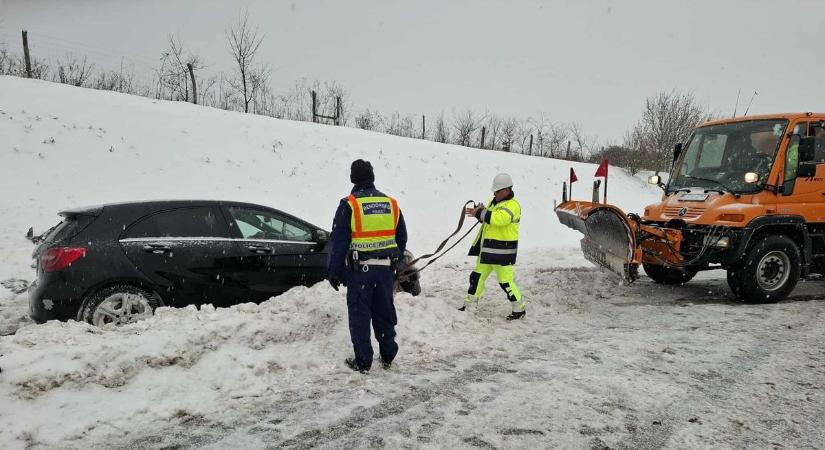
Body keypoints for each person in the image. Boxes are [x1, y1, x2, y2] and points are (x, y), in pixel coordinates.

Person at [327, 159, 408, 373]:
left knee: (360, 314)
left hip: (359, 271)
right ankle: (388, 354)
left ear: (353, 178)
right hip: (385, 271)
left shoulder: (350, 204)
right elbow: (401, 237)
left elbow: (339, 241)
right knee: (384, 312)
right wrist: (394, 260)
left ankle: (363, 361)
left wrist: (334, 272)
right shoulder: (391, 204)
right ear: (372, 177)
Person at [460, 173, 525, 320]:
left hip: (503, 253)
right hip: (487, 250)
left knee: (505, 282)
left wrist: (482, 213)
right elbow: (487, 218)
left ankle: (519, 309)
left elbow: (499, 219)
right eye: (494, 191)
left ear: (507, 190)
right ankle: (470, 305)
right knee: (476, 277)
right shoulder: (493, 201)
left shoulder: (513, 205)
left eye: (497, 190)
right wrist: (479, 212)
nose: (494, 193)